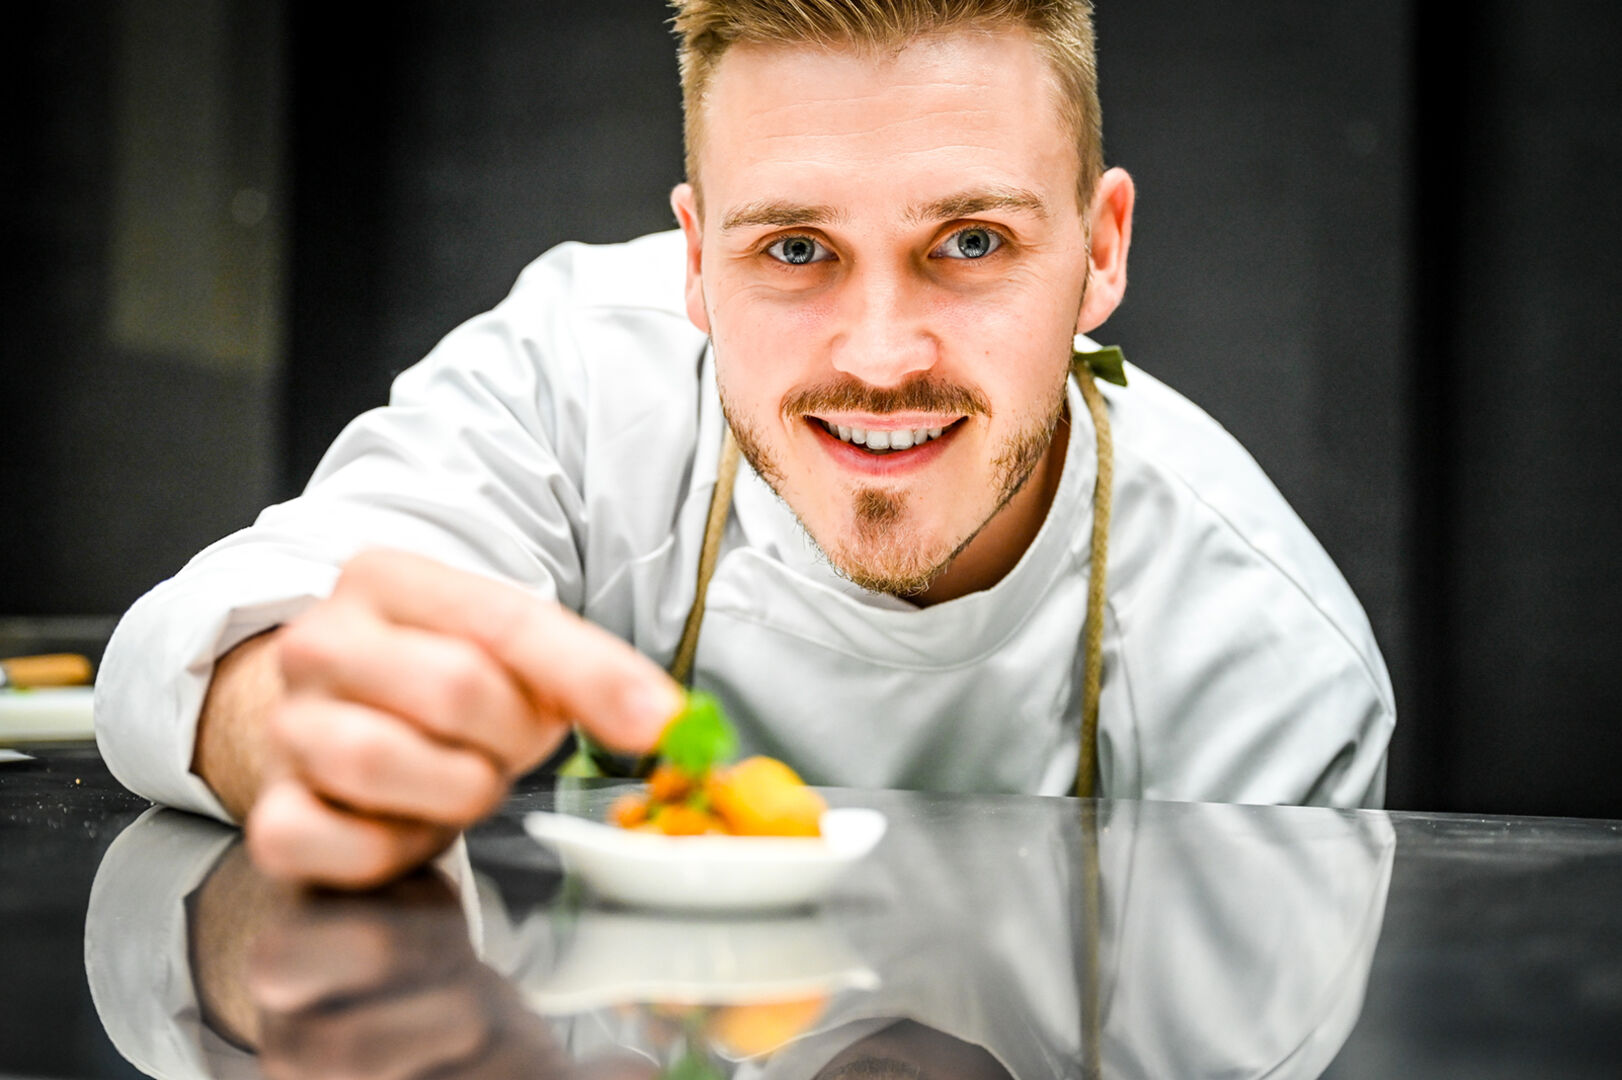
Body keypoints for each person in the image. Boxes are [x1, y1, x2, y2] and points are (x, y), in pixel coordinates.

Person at [95, 0, 1396, 889]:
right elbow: (204, 640)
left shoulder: (1273, 670)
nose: (879, 357)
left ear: (1099, 249)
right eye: (794, 248)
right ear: (696, 259)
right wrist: (287, 719)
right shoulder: (575, 376)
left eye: (971, 243)